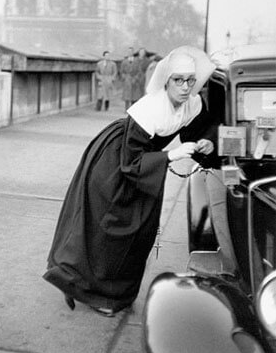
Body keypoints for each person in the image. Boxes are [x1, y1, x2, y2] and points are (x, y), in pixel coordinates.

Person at [43, 45, 217, 317]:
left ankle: (116, 293)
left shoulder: (193, 103)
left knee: (140, 231)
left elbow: (195, 130)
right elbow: (130, 162)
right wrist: (170, 156)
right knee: (109, 229)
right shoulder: (151, 108)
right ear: (166, 81)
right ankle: (82, 286)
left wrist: (205, 142)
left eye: (190, 81)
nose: (185, 87)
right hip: (117, 161)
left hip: (147, 164)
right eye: (178, 80)